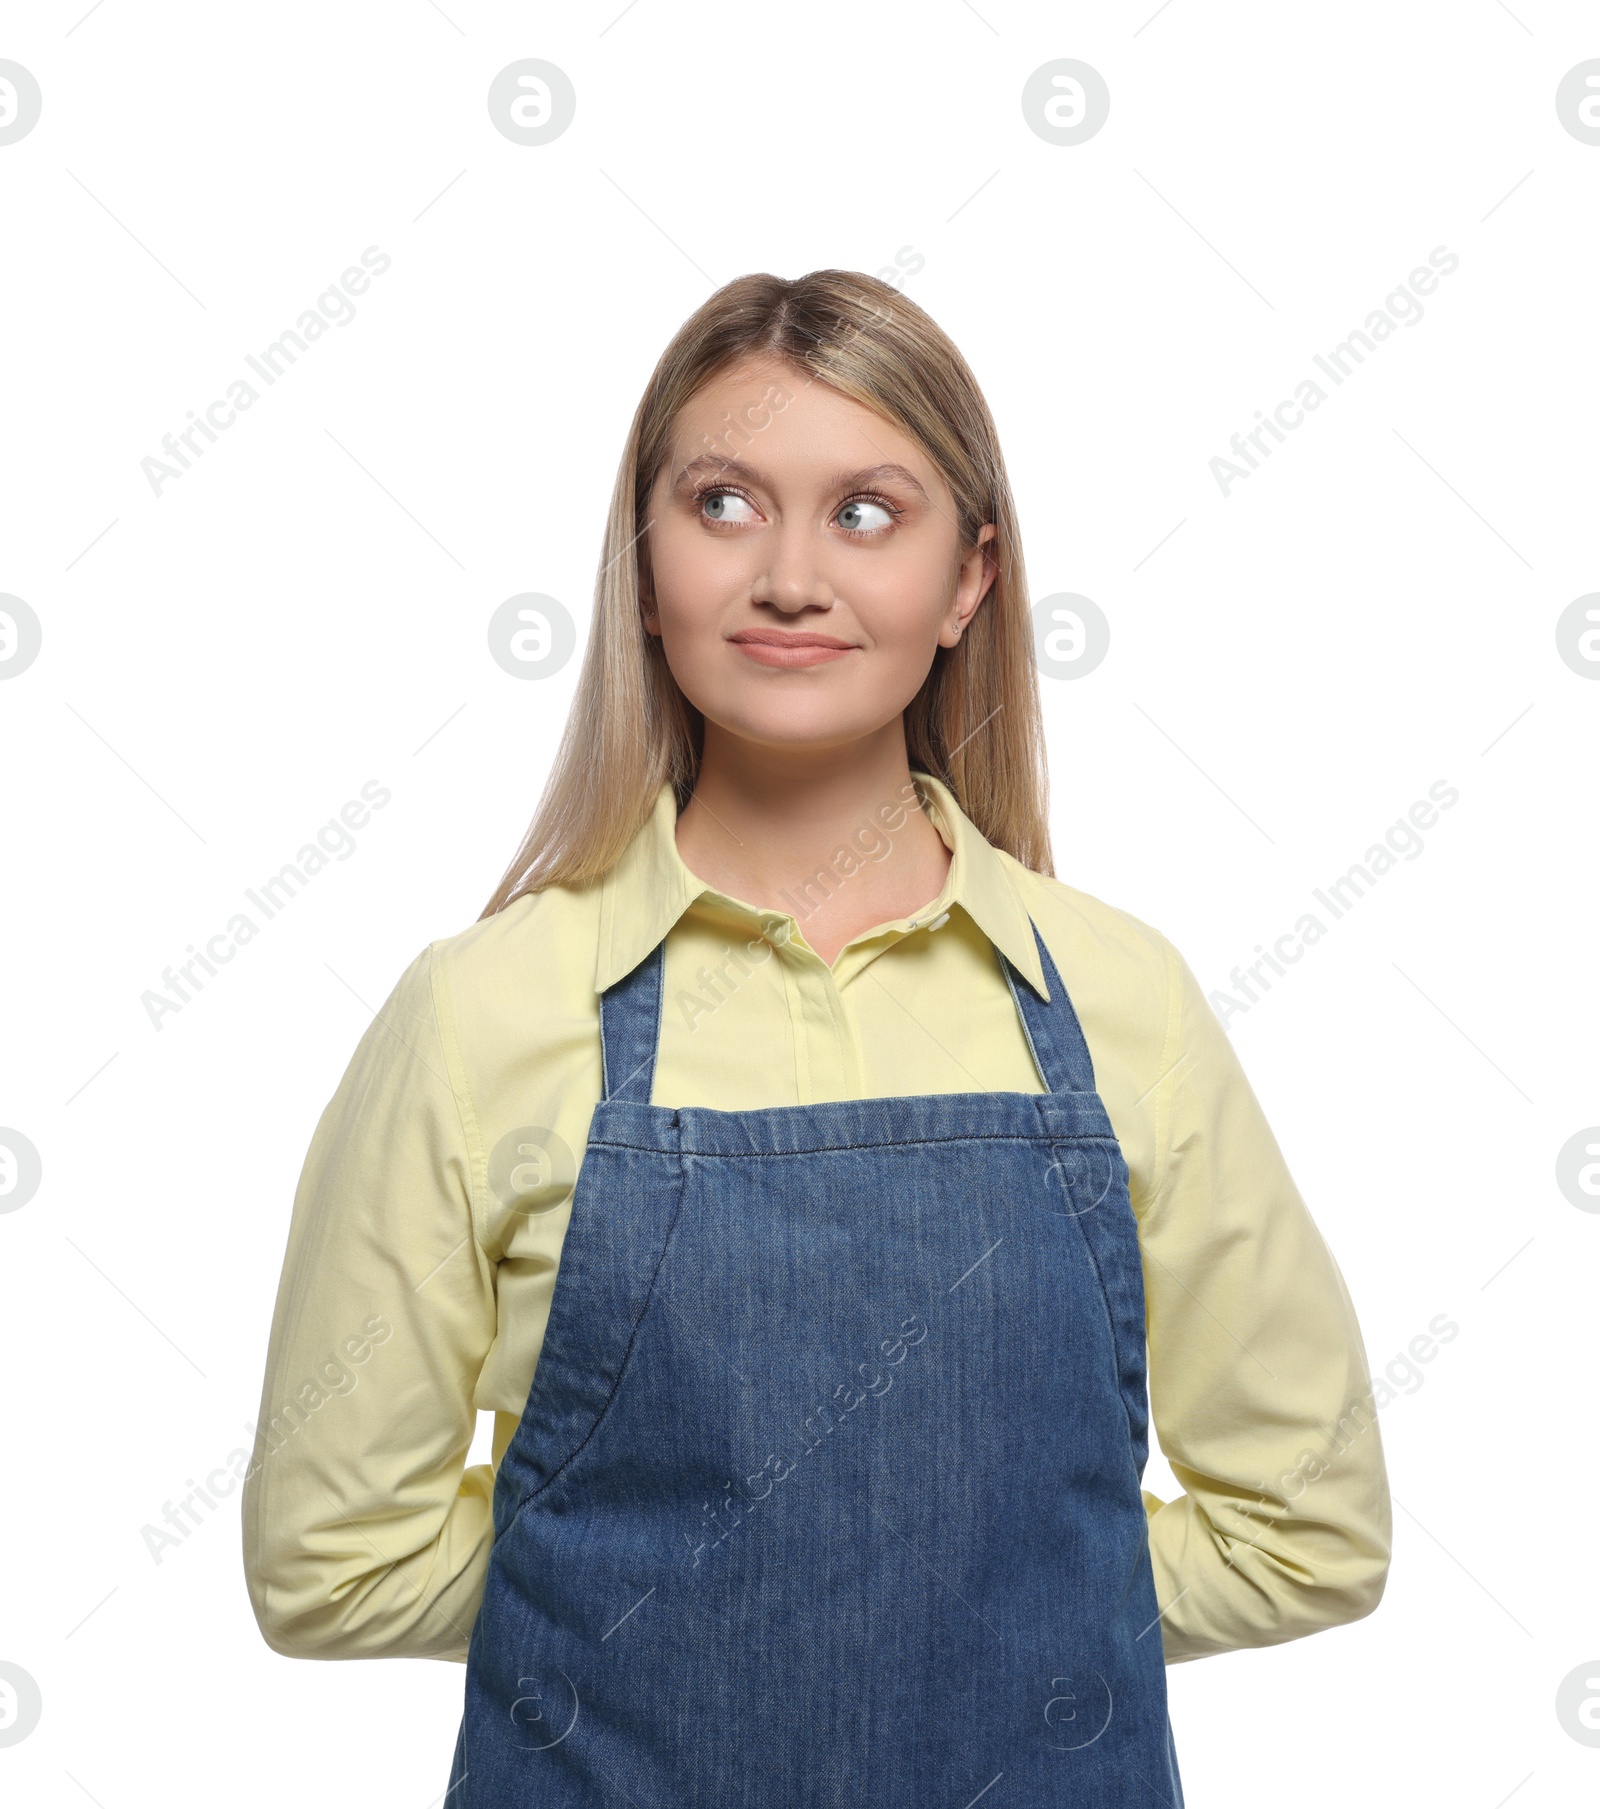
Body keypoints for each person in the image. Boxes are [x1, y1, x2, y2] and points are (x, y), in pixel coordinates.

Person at [242, 269, 1391, 1805]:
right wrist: (700, 1609)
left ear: (970, 577)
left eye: (867, 512)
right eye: (724, 503)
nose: (791, 575)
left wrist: (983, 1620)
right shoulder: (479, 1015)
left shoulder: (1125, 1006)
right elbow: (331, 1562)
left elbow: (1307, 1530)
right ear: (642, 565)